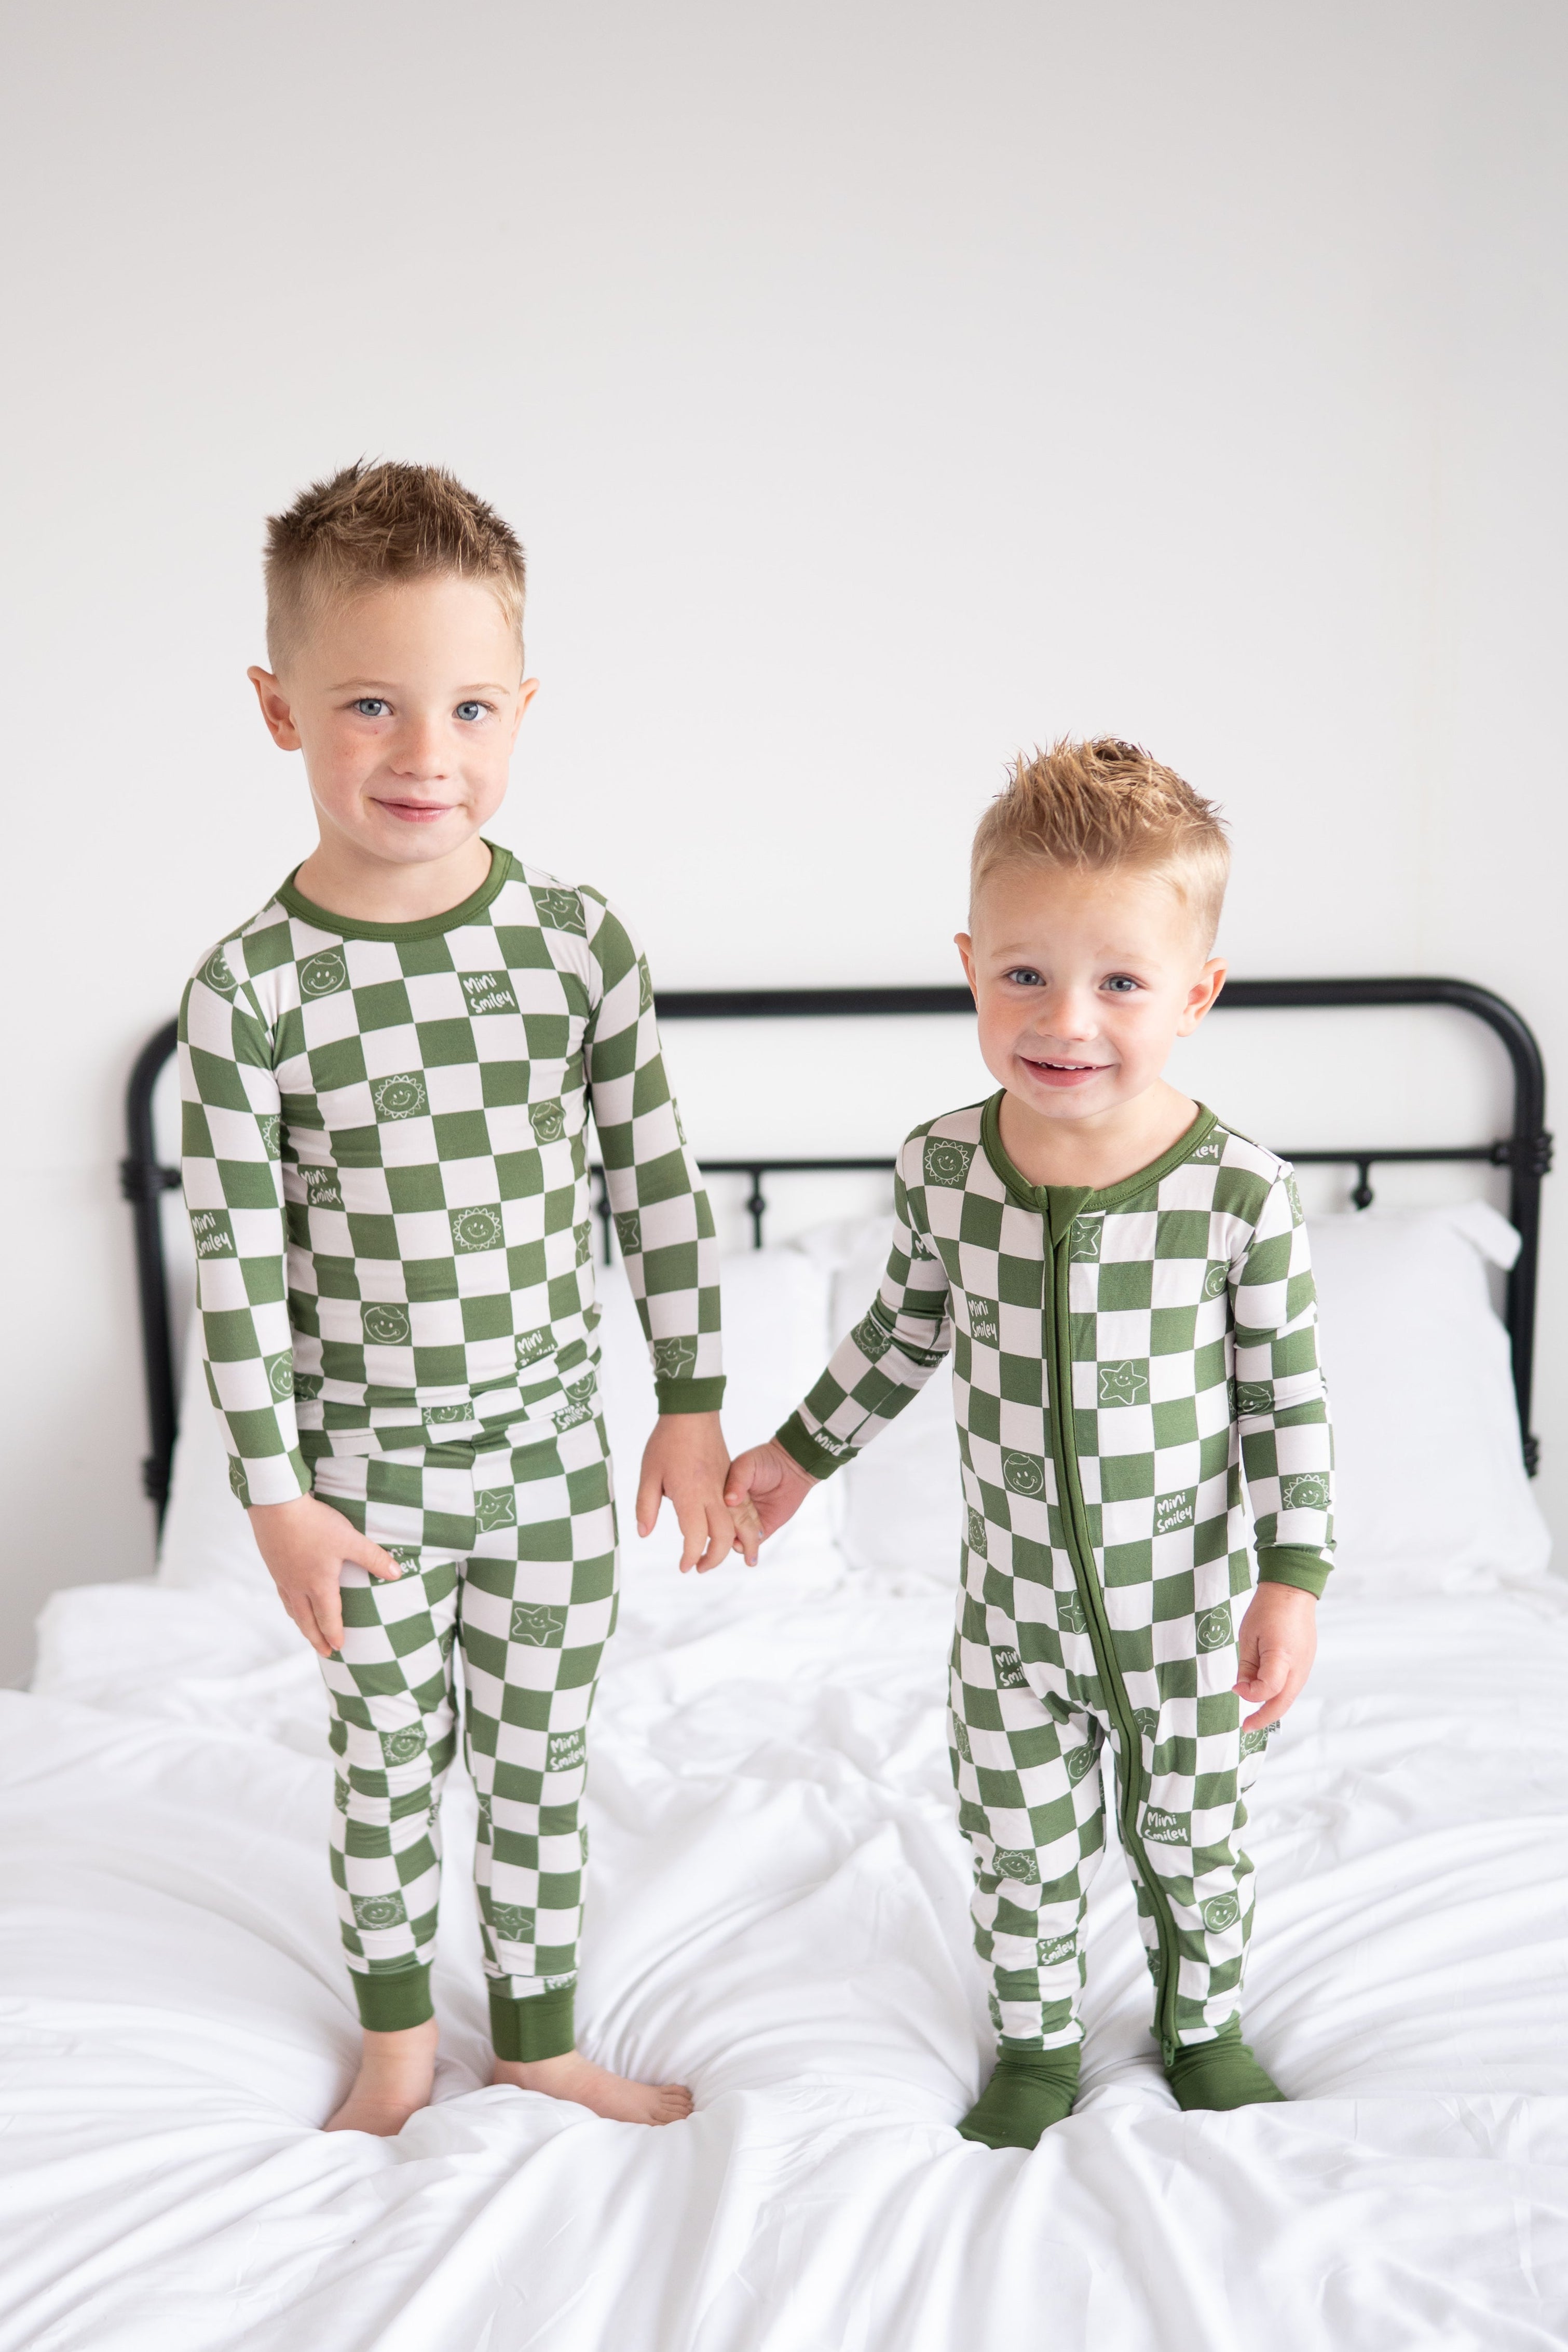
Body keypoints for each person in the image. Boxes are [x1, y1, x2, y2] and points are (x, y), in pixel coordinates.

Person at [180, 460, 741, 2135]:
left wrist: (693, 1401)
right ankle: (397, 2046)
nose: (427, 754)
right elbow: (238, 1264)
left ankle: (544, 2031)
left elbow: (655, 1182)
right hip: (367, 1484)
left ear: (524, 708)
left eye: (469, 705)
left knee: (539, 1766)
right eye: (370, 703)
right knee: (384, 1773)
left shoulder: (574, 946)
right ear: (280, 711)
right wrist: (276, 1492)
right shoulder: (251, 991)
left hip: (551, 1463)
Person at [724, 739, 1333, 2150]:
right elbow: (898, 1334)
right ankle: (1039, 2041)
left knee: (1194, 1836)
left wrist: (1291, 1576)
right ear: (970, 962)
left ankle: (1202, 2024)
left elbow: (1288, 1402)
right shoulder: (946, 1165)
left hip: (1178, 1612)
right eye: (1025, 974)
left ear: (1198, 994)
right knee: (1019, 1837)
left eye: (1122, 981)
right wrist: (794, 1454)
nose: (1068, 1018)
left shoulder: (1240, 1193)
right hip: (1013, 1617)